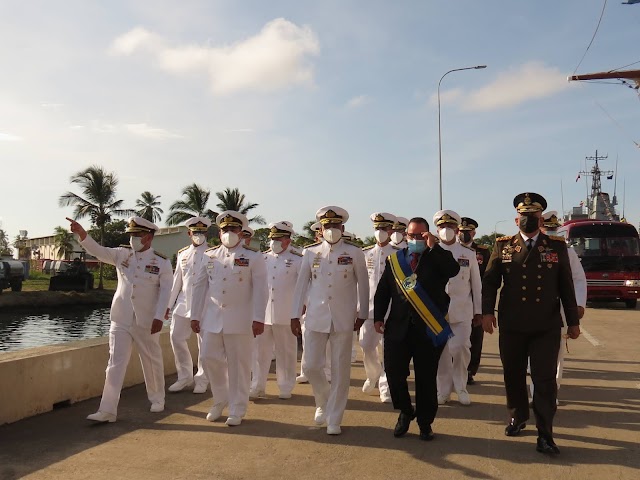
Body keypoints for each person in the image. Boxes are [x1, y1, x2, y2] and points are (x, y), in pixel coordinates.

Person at [482, 192, 580, 455]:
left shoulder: (556, 246)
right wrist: (486, 313)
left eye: (533, 216)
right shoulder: (503, 246)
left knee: (544, 380)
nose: (528, 220)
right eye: (524, 216)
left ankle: (545, 434)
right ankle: (517, 416)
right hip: (512, 324)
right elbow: (490, 281)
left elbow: (566, 285)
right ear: (516, 220)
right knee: (512, 374)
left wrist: (573, 321)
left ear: (540, 218)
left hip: (545, 325)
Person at [67, 216, 172, 423]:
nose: (133, 239)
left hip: (147, 320)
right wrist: (82, 234)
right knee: (115, 363)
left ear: (149, 237)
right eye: (132, 235)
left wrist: (159, 317)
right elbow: (98, 250)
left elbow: (165, 291)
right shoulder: (121, 254)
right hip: (121, 317)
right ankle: (107, 410)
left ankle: (157, 398)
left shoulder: (162, 262)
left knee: (151, 360)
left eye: (138, 235)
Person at [374, 217, 460, 440]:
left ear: (428, 235)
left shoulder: (438, 257)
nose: (415, 239)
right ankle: (405, 411)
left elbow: (453, 270)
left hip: (428, 328)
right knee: (393, 373)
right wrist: (377, 317)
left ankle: (425, 422)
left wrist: (434, 247)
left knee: (425, 378)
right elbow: (383, 291)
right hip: (397, 328)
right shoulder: (395, 260)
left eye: (420, 236)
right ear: (405, 236)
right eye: (411, 235)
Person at [291, 206, 369, 435]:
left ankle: (334, 417)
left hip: (343, 319)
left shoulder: (355, 253)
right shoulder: (310, 253)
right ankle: (323, 401)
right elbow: (301, 286)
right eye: (327, 226)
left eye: (335, 226)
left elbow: (363, 285)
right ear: (321, 229)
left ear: (342, 228)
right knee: (311, 366)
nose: (331, 229)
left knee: (340, 370)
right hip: (315, 317)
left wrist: (362, 313)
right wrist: (294, 315)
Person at [190, 211, 268, 426]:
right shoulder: (210, 255)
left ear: (241, 232)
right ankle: (220, 398)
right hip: (213, 319)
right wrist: (195, 315)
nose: (228, 233)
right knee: (208, 358)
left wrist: (259, 318)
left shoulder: (254, 257)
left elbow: (261, 290)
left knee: (239, 366)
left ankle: (237, 408)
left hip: (241, 320)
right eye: (225, 229)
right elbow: (199, 287)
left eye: (233, 229)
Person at [529, 210, 586, 402]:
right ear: (539, 227)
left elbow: (578, 279)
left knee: (555, 355)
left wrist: (578, 305)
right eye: (547, 228)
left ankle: (551, 392)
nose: (551, 232)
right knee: (531, 356)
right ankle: (533, 392)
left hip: (558, 311)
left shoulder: (565, 250)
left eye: (554, 229)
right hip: (530, 311)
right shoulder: (527, 248)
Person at [433, 210, 482, 406]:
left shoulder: (468, 254)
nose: (447, 230)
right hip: (436, 312)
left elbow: (476, 285)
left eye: (451, 226)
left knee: (462, 348)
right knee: (441, 353)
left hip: (462, 310)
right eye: (443, 227)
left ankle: (461, 386)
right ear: (437, 230)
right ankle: (443, 390)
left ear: (457, 228)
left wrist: (478, 311)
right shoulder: (430, 252)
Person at [250, 221, 303, 400]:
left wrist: (301, 308)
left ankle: (285, 385)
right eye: (273, 238)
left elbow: (305, 286)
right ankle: (257, 385)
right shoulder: (262, 258)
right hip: (263, 314)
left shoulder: (298, 259)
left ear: (288, 240)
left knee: (286, 352)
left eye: (278, 239)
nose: (274, 242)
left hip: (286, 313)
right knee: (259, 353)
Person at [166, 217, 211, 394]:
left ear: (206, 233)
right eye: (195, 232)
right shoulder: (182, 254)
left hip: (205, 304)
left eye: (202, 232)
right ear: (189, 233)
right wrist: (168, 306)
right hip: (183, 303)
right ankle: (184, 376)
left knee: (204, 344)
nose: (198, 235)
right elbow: (177, 281)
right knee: (176, 336)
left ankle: (202, 379)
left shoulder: (214, 253)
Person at [360, 212, 398, 403]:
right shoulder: (365, 253)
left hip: (392, 309)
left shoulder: (399, 254)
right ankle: (372, 374)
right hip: (368, 309)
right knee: (366, 345)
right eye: (377, 228)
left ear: (391, 230)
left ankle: (386, 386)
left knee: (388, 349)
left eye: (384, 228)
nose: (380, 232)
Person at [296, 221, 331, 385]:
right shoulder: (310, 253)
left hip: (327, 306)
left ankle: (328, 371)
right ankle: (305, 370)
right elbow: (304, 282)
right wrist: (302, 303)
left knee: (329, 344)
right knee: (306, 338)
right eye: (319, 233)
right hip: (310, 305)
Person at [457, 217, 490, 386]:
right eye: (461, 231)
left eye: (467, 232)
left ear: (474, 233)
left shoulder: (483, 251)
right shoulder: (451, 249)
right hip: (458, 301)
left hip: (477, 300)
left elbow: (489, 276)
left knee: (475, 338)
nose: (464, 234)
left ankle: (470, 370)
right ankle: (455, 370)